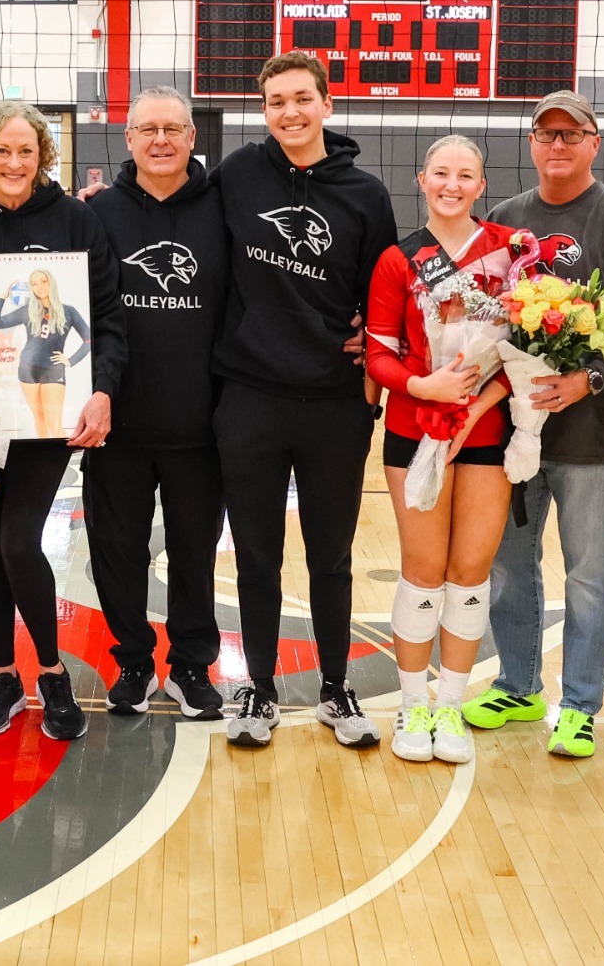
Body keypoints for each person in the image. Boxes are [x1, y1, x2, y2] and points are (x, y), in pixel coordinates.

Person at [464, 90, 604, 759]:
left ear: (593, 142)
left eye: (570, 133)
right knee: (510, 565)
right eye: (545, 133)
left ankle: (579, 703)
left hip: (590, 436)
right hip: (514, 431)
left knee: (589, 571)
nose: (557, 144)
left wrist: (589, 378)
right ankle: (519, 684)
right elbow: (482, 309)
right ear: (531, 142)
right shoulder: (505, 216)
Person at [212, 52, 396, 750]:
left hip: (332, 404)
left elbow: (380, 297)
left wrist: (369, 349)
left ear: (326, 104)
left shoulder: (365, 193)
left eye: (300, 99)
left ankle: (333, 685)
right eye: (275, 102)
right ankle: (257, 685)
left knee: (332, 555)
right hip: (250, 396)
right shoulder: (237, 175)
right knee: (257, 555)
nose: (288, 112)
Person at [0, 99, 124, 741]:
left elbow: (107, 319)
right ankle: (3, 674)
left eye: (26, 150)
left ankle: (51, 673)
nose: (14, 162)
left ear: (44, 155)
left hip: (46, 413)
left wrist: (103, 392)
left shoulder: (76, 220)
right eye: (1, 151)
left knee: (18, 541)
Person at [365, 135, 521, 764]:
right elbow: (378, 354)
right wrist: (422, 384)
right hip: (414, 433)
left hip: (486, 436)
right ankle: (413, 706)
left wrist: (478, 405)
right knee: (423, 572)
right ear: (420, 180)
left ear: (481, 186)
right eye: (440, 173)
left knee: (470, 575)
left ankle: (450, 707)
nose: (452, 184)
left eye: (466, 176)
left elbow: (530, 352)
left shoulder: (511, 252)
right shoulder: (398, 261)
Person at [81, 86, 229, 721]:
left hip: (202, 423)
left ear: (193, 138)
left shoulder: (223, 208)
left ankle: (192, 666)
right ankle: (134, 663)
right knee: (116, 552)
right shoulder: (97, 213)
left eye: (173, 128)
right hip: (117, 421)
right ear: (129, 139)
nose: (161, 140)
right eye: (149, 130)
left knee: (196, 553)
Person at [0, 267, 91, 438]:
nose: (40, 286)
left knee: (55, 424)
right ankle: (44, 459)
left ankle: (59, 460)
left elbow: (88, 340)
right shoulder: (27, 310)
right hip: (27, 369)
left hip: (53, 369)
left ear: (51, 282)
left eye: (43, 281)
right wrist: (2, 296)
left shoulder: (69, 311)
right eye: (34, 283)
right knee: (39, 417)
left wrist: (71, 360)